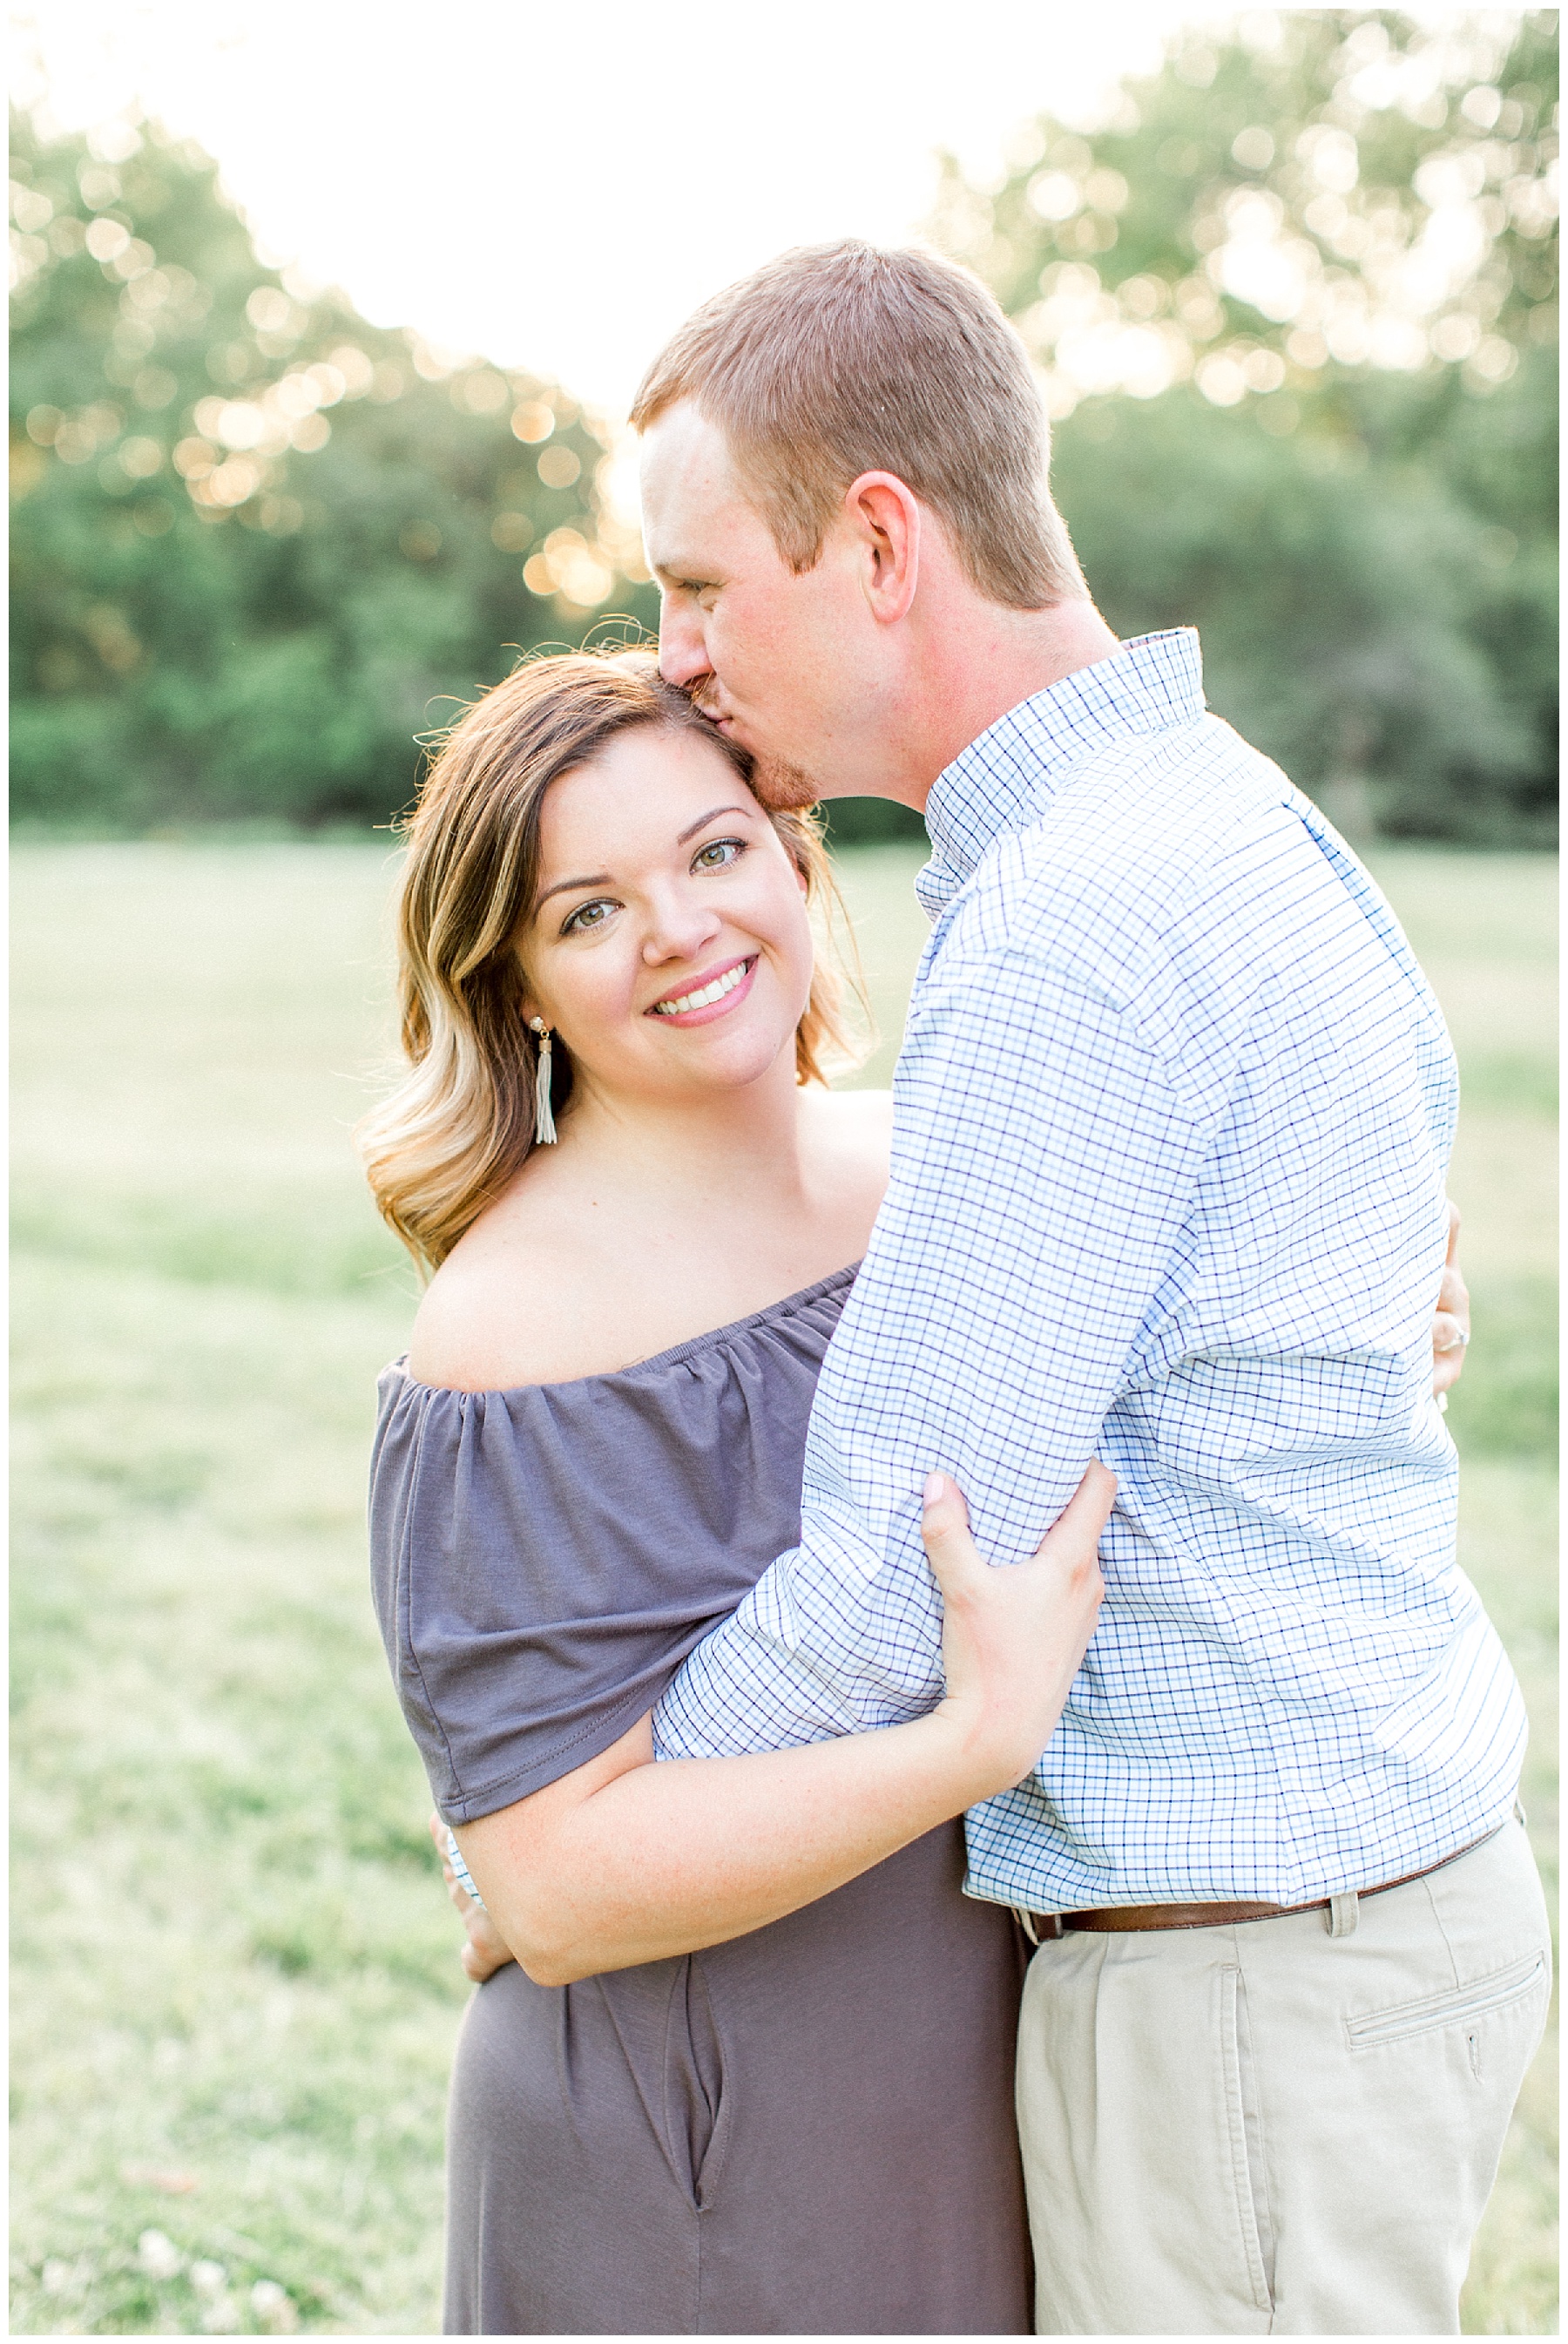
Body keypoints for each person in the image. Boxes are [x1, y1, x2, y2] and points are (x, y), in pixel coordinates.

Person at [611, 240, 1548, 2338]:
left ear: (874, 541)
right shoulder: (1224, 812)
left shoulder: (1075, 925)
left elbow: (905, 1561)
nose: (670, 655)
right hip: (1354, 1916)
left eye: (695, 587)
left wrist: (591, 1845)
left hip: (1249, 1986)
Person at [361, 649, 1113, 2335]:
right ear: (523, 987)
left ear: (794, 857)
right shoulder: (515, 1326)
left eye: (713, 854)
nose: (683, 930)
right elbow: (547, 1891)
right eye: (588, 909)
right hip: (692, 2120)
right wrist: (963, 1748)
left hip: (985, 2059)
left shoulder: (935, 1166)